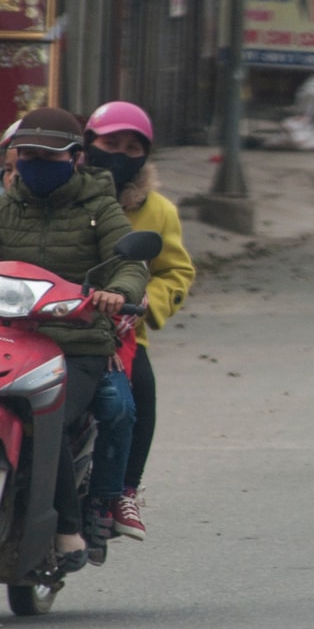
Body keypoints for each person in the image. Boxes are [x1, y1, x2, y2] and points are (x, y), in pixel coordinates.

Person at [0, 108, 150, 572]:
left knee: (49, 422)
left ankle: (68, 526)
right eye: (28, 154)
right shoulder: (7, 204)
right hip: (3, 333)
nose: (35, 163)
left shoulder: (100, 208)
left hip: (75, 344)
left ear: (75, 158)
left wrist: (118, 293)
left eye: (48, 155)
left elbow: (129, 264)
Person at [82, 102, 195, 546]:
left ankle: (123, 489)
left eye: (133, 147)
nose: (120, 154)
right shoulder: (62, 195)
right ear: (88, 144)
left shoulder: (158, 210)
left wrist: (147, 303)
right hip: (52, 317)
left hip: (122, 330)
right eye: (111, 143)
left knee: (139, 393)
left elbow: (176, 272)